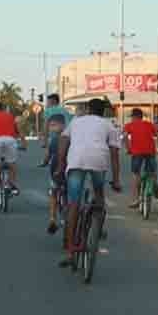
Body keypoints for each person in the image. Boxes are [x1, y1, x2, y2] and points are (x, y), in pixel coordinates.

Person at [56, 98, 123, 267]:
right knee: (99, 194)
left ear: (87, 109)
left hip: (76, 161)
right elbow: (115, 154)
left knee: (73, 205)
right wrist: (116, 180)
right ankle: (98, 229)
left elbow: (63, 141)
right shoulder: (109, 125)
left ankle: (70, 251)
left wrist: (60, 164)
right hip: (98, 162)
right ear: (104, 112)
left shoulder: (76, 122)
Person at [123, 108, 158, 208]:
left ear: (134, 117)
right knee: (152, 172)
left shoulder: (129, 126)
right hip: (150, 151)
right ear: (141, 117)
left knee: (136, 174)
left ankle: (136, 199)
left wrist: (128, 149)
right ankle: (155, 189)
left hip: (136, 152)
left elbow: (124, 137)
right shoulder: (149, 124)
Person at [44, 113, 67, 235]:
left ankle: (52, 219)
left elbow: (48, 156)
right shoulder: (71, 137)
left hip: (57, 171)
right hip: (69, 170)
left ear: (62, 125)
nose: (51, 128)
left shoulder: (54, 140)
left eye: (54, 125)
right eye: (50, 126)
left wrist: (44, 162)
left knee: (53, 193)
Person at [41, 94, 71, 166]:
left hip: (53, 136)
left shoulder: (48, 111)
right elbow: (69, 123)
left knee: (49, 149)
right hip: (66, 136)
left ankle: (45, 161)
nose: (47, 103)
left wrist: (44, 140)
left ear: (53, 101)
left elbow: (46, 125)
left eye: (48, 101)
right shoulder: (65, 111)